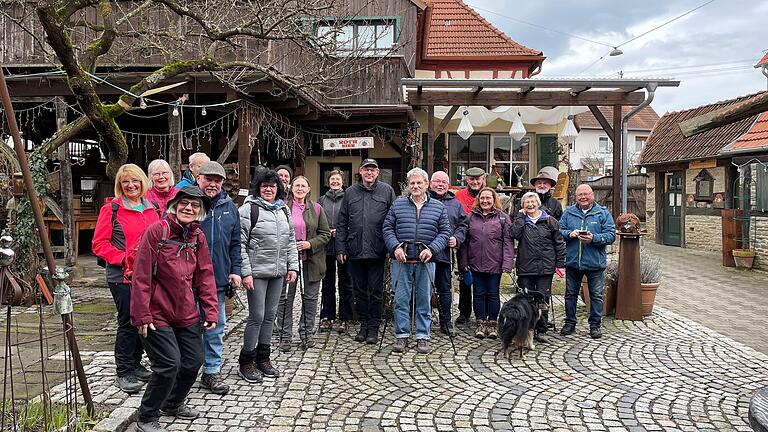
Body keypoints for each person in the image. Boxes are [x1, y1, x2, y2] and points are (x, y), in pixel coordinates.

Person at [131, 187, 218, 432]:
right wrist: (141, 314)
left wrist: (211, 310)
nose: (189, 208)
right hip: (156, 312)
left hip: (186, 311)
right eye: (184, 203)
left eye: (195, 205)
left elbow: (205, 275)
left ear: (201, 211)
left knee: (193, 362)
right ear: (174, 205)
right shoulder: (157, 232)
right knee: (169, 364)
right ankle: (147, 416)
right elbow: (141, 276)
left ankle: (173, 403)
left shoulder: (197, 237)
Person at [92, 164, 161, 394]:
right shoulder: (111, 210)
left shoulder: (152, 208)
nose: (131, 185)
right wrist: (124, 259)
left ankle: (136, 363)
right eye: (125, 182)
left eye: (135, 181)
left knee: (143, 320)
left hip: (148, 276)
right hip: (122, 275)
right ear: (119, 186)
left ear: (143, 183)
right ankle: (123, 370)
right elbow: (99, 244)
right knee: (128, 322)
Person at [238, 169, 299, 383]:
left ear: (278, 189)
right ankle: (246, 361)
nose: (268, 189)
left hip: (278, 272)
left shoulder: (283, 209)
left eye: (272, 186)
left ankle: (263, 358)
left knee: (270, 316)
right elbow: (240, 244)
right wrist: (245, 272)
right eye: (264, 186)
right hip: (256, 273)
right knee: (257, 316)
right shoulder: (248, 209)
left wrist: (293, 267)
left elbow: (291, 240)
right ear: (258, 188)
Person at [383, 168, 451, 354]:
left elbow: (445, 232)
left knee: (424, 300)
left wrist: (432, 249)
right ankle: (402, 335)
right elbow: (387, 228)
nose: (415, 186)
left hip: (426, 261)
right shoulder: (398, 205)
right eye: (412, 183)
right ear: (408, 185)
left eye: (419, 183)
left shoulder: (438, 207)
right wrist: (395, 247)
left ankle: (423, 336)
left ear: (426, 184)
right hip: (402, 261)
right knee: (401, 300)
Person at [335, 158, 396, 344]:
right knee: (359, 291)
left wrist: (391, 247)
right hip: (355, 249)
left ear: (378, 172)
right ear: (360, 172)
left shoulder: (387, 191)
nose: (370, 173)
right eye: (366, 170)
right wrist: (341, 247)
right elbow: (342, 222)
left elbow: (394, 219)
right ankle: (363, 325)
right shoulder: (350, 193)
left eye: (373, 170)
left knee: (376, 291)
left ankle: (374, 328)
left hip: (378, 250)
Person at [195, 161, 241, 395]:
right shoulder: (187, 202)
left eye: (217, 180)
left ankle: (212, 371)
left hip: (218, 279)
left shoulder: (229, 207)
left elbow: (235, 243)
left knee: (216, 327)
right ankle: (186, 369)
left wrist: (236, 270)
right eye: (208, 179)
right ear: (199, 177)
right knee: (188, 327)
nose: (212, 184)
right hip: (188, 280)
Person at [276, 176, 330, 351]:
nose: (300, 189)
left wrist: (310, 244)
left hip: (312, 260)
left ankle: (306, 334)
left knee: (310, 299)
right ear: (291, 189)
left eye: (303, 186)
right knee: (285, 298)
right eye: (297, 185)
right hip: (287, 260)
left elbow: (325, 234)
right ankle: (285, 336)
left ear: (308, 189)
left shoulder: (316, 208)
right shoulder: (283, 207)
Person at [559, 184, 616, 339]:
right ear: (576, 197)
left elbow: (611, 235)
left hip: (595, 262)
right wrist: (569, 234)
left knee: (596, 295)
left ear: (592, 195)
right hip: (573, 262)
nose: (583, 197)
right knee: (570, 294)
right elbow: (559, 231)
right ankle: (570, 323)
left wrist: (594, 238)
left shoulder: (602, 213)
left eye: (586, 194)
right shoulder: (569, 212)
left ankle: (595, 326)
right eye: (580, 195)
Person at [457, 187, 514, 339]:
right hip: (475, 264)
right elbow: (464, 243)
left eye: (488, 198)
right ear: (478, 200)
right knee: (478, 294)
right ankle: (480, 323)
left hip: (495, 264)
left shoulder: (502, 218)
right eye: (482, 198)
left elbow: (508, 243)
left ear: (494, 199)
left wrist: (507, 263)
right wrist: (463, 263)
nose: (485, 201)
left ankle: (493, 323)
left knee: (493, 295)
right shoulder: (470, 218)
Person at [510, 192, 566, 343]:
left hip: (545, 267)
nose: (530, 204)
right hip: (525, 267)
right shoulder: (520, 220)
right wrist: (520, 217)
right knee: (525, 300)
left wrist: (560, 264)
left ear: (538, 203)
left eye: (532, 202)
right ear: (522, 206)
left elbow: (559, 243)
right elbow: (514, 234)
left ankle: (541, 330)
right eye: (526, 202)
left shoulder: (549, 220)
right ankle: (525, 329)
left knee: (543, 299)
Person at [428, 171, 466, 336]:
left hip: (444, 255)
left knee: (444, 290)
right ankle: (424, 322)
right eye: (437, 181)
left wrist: (457, 238)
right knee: (423, 290)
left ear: (448, 185)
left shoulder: (455, 204)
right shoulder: (423, 199)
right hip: (424, 254)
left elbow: (463, 225)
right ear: (430, 183)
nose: (440, 185)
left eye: (444, 182)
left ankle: (446, 322)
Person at [318, 170, 354, 334]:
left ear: (342, 182)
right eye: (332, 179)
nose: (335, 181)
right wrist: (326, 231)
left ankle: (345, 318)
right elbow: (318, 221)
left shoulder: (348, 199)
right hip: (325, 247)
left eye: (338, 179)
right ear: (328, 182)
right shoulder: (321, 200)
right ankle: (327, 316)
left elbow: (352, 220)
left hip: (343, 246)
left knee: (345, 283)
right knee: (327, 284)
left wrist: (340, 231)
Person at [453, 166, 486, 326]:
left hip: (483, 243)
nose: (474, 182)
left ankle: (483, 312)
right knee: (465, 278)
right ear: (467, 180)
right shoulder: (459, 195)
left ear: (483, 180)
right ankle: (464, 312)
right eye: (471, 179)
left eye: (477, 179)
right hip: (465, 242)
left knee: (483, 277)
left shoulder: (487, 195)